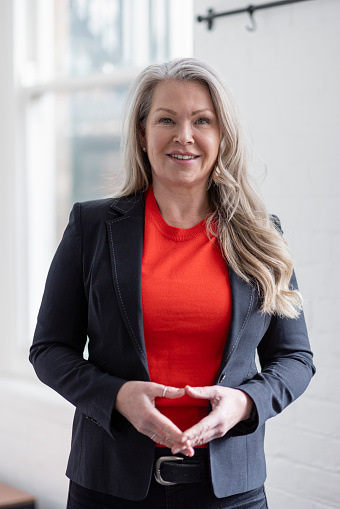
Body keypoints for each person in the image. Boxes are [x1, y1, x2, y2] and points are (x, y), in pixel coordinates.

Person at [29, 58, 315, 509]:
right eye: (167, 119)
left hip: (230, 492)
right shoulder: (92, 225)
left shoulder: (263, 233)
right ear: (143, 135)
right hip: (109, 487)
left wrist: (244, 403)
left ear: (222, 137)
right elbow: (48, 350)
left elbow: (295, 358)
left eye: (202, 120)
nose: (185, 135)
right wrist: (118, 396)